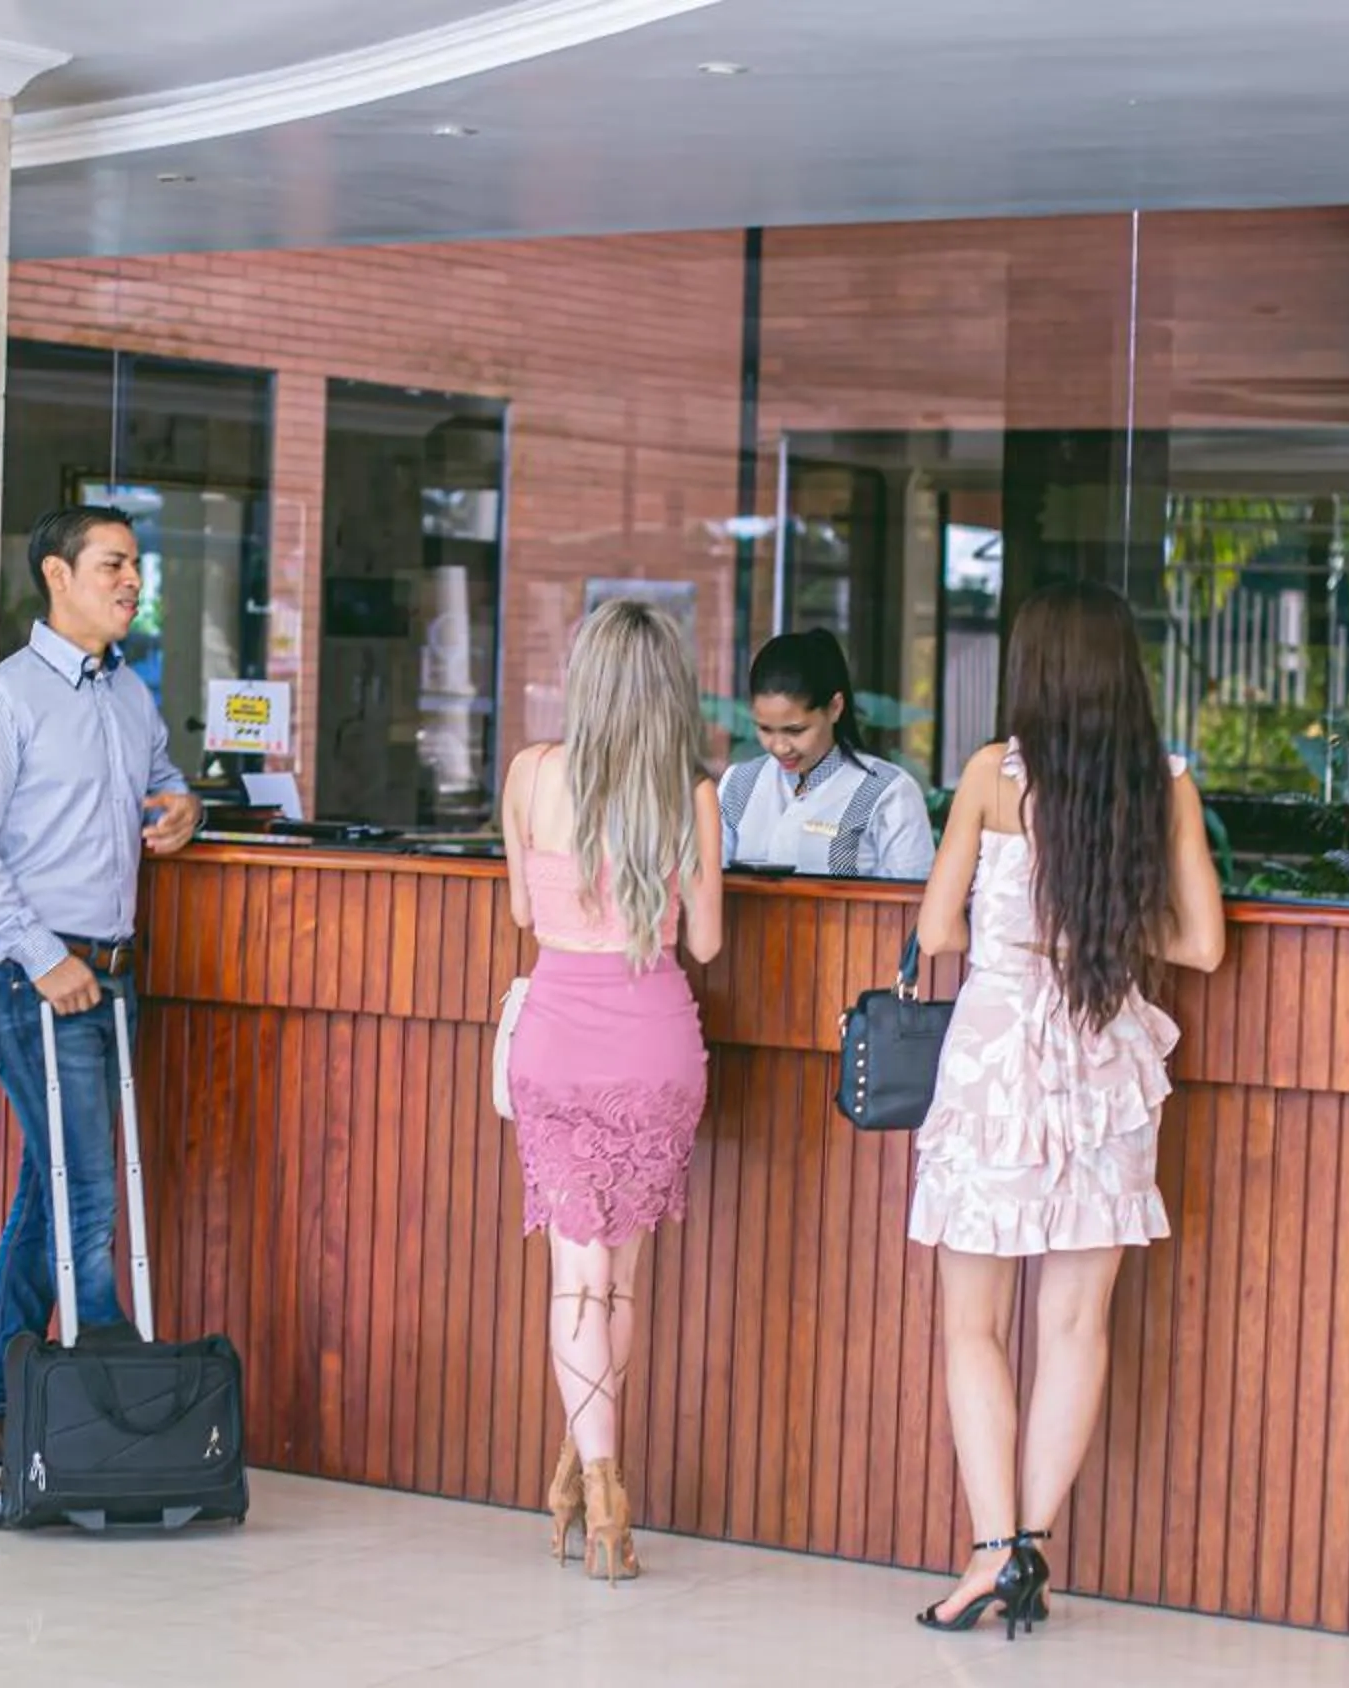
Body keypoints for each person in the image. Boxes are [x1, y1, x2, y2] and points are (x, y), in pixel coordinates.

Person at [905, 581, 1226, 1637]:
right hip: (1107, 1068)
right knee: (1077, 1322)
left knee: (974, 1325)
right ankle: (1028, 1546)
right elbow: (1202, 945)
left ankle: (991, 1549)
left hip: (997, 1065)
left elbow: (939, 930)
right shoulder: (1162, 784)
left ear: (1033, 670)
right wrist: (1099, 936)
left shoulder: (994, 778)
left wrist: (1024, 936)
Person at [0, 505, 202, 1466]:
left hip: (112, 981)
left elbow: (164, 782)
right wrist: (41, 956)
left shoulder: (129, 693)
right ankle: (117, 1395)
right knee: (87, 1194)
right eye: (113, 564)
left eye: (136, 565)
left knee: (53, 1192)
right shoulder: (0, 700)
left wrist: (183, 805)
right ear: (57, 574)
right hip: (33, 983)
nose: (132, 581)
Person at [496, 598, 725, 1582]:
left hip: (557, 1038)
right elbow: (705, 941)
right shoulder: (693, 794)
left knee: (574, 1277)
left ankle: (600, 1479)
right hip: (654, 1041)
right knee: (620, 1279)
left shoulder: (532, 775)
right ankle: (585, 1475)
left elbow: (519, 907)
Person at [718, 629, 935, 879]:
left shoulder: (889, 793)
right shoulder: (738, 784)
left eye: (795, 730)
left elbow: (910, 908)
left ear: (834, 708)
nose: (779, 746)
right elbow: (709, 886)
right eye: (765, 729)